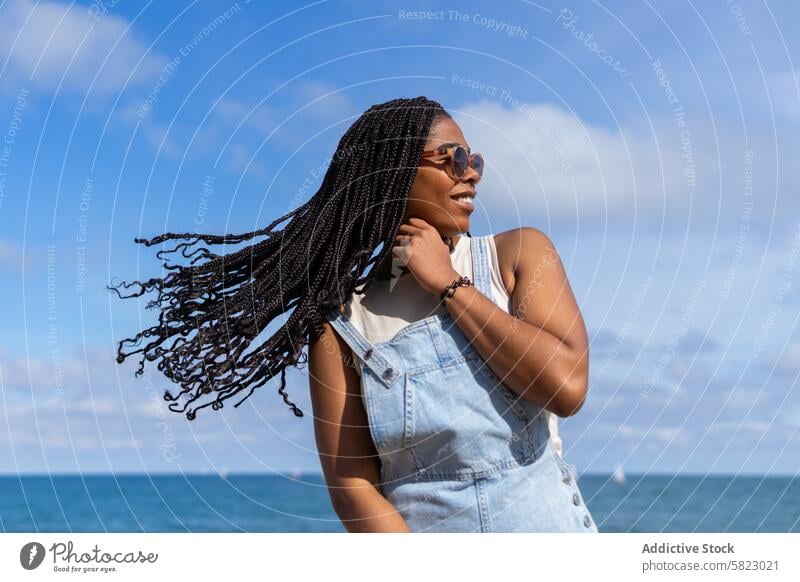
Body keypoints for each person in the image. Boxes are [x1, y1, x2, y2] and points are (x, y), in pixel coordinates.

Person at [108, 95, 597, 533]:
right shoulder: (341, 324)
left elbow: (565, 387)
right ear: (395, 172)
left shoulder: (517, 256)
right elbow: (352, 485)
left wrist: (447, 283)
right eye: (455, 159)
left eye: (476, 161)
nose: (470, 172)